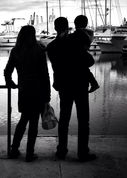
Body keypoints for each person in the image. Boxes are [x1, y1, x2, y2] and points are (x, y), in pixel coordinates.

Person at [47, 17, 97, 162]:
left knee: (64, 119)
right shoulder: (74, 41)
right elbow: (89, 61)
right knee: (83, 121)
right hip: (80, 84)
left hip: (64, 85)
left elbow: (57, 67)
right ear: (68, 27)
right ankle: (83, 153)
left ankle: (61, 150)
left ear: (55, 28)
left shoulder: (51, 47)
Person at [4, 25, 51, 162]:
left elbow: (7, 71)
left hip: (24, 90)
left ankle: (14, 149)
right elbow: (45, 75)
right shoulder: (39, 50)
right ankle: (29, 153)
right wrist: (47, 95)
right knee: (34, 123)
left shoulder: (16, 50)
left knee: (23, 120)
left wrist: (10, 83)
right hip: (38, 90)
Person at [73, 15, 99, 93]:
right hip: (85, 56)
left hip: (81, 56)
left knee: (82, 68)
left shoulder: (81, 34)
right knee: (84, 69)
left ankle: (94, 84)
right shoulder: (89, 33)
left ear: (75, 23)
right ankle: (94, 83)